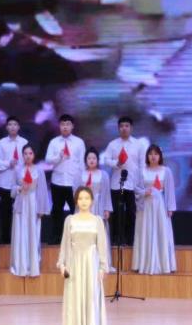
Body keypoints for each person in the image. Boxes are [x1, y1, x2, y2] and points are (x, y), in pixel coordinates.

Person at [57, 186, 110, 325]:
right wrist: (62, 264)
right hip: (74, 265)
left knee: (91, 300)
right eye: (80, 198)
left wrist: (103, 266)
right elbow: (65, 244)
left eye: (87, 198)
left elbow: (102, 246)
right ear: (76, 201)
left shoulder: (97, 221)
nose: (84, 201)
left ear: (92, 201)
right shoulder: (70, 220)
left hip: (91, 265)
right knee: (75, 300)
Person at [102, 116, 147, 247]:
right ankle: (117, 239)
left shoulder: (138, 145)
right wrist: (116, 163)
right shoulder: (113, 144)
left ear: (131, 128)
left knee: (131, 212)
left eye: (126, 126)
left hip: (132, 184)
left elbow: (142, 165)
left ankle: (130, 240)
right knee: (117, 213)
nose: (124, 128)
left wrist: (141, 183)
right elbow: (106, 160)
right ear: (118, 128)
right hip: (117, 184)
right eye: (121, 126)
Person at [132, 144, 177, 275]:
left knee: (161, 232)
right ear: (147, 156)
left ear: (160, 156)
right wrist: (144, 192)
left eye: (156, 154)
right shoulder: (141, 171)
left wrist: (170, 207)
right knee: (146, 232)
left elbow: (170, 191)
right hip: (145, 207)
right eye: (150, 154)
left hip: (160, 207)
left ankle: (163, 264)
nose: (153, 156)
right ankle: (144, 264)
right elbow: (136, 188)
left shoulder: (166, 171)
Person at [10, 144, 50, 277]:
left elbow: (42, 190)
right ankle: (20, 265)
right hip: (21, 203)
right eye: (25, 153)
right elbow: (12, 190)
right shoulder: (18, 170)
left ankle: (32, 266)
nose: (28, 156)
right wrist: (19, 188)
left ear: (34, 155)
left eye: (30, 153)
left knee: (33, 233)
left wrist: (41, 208)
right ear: (22, 155)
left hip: (33, 204)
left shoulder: (39, 171)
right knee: (20, 233)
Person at [45, 114, 86, 244]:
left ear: (72, 126)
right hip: (58, 181)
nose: (65, 127)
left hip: (74, 182)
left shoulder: (79, 142)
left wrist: (82, 182)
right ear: (59, 126)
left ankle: (76, 237)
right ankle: (56, 238)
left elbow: (82, 163)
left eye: (68, 124)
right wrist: (58, 156)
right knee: (57, 210)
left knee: (76, 210)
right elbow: (48, 160)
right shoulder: (54, 142)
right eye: (63, 124)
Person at [75, 148, 114, 272]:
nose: (91, 160)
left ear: (97, 160)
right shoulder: (80, 174)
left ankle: (100, 263)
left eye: (94, 158)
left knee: (99, 235)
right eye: (89, 158)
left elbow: (106, 193)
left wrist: (107, 209)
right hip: (84, 208)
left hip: (98, 207)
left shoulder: (104, 175)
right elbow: (75, 192)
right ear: (85, 160)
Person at [0, 116, 28, 245]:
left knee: (20, 213)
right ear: (6, 127)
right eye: (10, 124)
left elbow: (29, 161)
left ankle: (20, 240)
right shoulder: (1, 143)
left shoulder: (24, 142)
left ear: (19, 127)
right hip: (5, 184)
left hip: (20, 184)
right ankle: (6, 242)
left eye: (15, 124)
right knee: (5, 214)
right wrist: (8, 163)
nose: (12, 127)